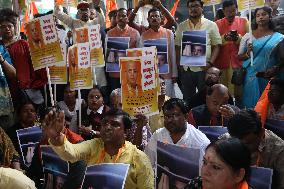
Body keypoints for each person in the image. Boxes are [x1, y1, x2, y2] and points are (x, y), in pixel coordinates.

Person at [42, 108, 154, 189]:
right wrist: (57, 138)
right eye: (104, 123)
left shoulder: (139, 159)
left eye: (115, 124)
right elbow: (70, 153)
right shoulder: (94, 145)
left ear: (126, 132)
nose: (107, 127)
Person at [221, 109, 284, 189]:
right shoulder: (226, 140)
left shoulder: (279, 151)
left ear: (261, 133)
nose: (241, 148)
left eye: (247, 144)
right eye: (238, 143)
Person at [0, 9, 47, 113]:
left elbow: (37, 67)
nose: (7, 29)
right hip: (4, 93)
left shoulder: (24, 44)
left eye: (9, 26)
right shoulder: (0, 47)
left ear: (14, 27)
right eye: (3, 27)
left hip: (26, 92)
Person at [175, 0, 222, 103]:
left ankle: (203, 118)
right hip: (187, 69)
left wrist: (210, 63)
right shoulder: (182, 26)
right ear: (188, 9)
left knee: (205, 98)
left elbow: (217, 46)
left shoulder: (211, 25)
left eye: (196, 6)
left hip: (204, 69)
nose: (193, 9)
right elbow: (178, 46)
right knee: (187, 99)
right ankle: (190, 118)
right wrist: (179, 64)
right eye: (191, 7)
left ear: (202, 8)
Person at [238, 6, 284, 108]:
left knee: (268, 104)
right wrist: (247, 54)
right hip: (251, 77)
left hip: (269, 76)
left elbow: (282, 58)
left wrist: (275, 68)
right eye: (258, 15)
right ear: (255, 19)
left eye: (264, 14)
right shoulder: (248, 36)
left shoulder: (279, 37)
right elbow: (239, 57)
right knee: (251, 104)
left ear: (270, 17)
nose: (261, 17)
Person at [54, 1, 107, 89]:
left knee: (98, 86)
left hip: (95, 60)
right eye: (81, 10)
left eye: (86, 10)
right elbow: (58, 14)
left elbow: (102, 19)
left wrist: (97, 7)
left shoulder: (95, 23)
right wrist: (58, 3)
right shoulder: (74, 23)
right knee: (83, 89)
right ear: (78, 13)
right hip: (81, 60)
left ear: (89, 11)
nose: (84, 12)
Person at [145, 98, 210, 168]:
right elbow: (147, 164)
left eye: (174, 115)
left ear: (186, 116)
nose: (169, 120)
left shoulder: (200, 142)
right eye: (167, 116)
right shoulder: (158, 136)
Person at [215, 0, 249, 106]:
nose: (230, 14)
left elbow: (249, 41)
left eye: (233, 11)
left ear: (237, 10)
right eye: (228, 12)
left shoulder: (244, 21)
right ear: (223, 12)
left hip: (239, 63)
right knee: (224, 93)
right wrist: (224, 38)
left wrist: (238, 38)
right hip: (222, 63)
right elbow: (213, 43)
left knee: (240, 93)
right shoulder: (216, 24)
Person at [185, 138, 252, 189]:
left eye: (215, 167)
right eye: (204, 162)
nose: (204, 172)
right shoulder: (197, 184)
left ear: (238, 175)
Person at [140, 7, 178, 97]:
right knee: (153, 99)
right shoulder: (144, 36)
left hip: (167, 74)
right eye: (152, 16)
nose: (154, 18)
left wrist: (174, 74)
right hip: (150, 74)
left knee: (167, 98)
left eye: (156, 16)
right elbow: (141, 57)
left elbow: (172, 54)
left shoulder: (169, 33)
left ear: (161, 18)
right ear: (148, 20)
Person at [107, 8, 140, 92]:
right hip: (114, 73)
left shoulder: (135, 33)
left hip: (131, 74)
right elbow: (106, 53)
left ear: (127, 18)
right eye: (119, 16)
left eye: (124, 16)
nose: (121, 18)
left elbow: (140, 53)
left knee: (130, 97)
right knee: (115, 98)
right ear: (116, 18)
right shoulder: (109, 33)